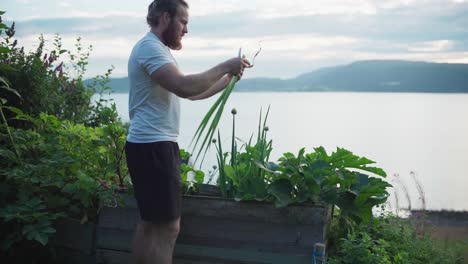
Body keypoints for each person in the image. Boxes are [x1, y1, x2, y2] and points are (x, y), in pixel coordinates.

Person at [124, 0, 251, 263]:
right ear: (165, 17)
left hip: (148, 145)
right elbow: (184, 86)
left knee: (150, 225)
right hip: (154, 146)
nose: (186, 29)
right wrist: (226, 65)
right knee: (167, 228)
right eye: (183, 22)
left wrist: (228, 80)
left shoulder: (155, 48)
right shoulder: (150, 48)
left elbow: (194, 93)